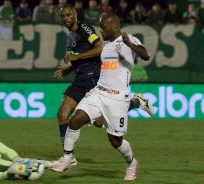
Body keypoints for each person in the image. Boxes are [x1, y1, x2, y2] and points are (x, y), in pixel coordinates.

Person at [52, 13, 151, 181]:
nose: (101, 30)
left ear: (114, 26)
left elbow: (146, 55)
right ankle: (68, 158)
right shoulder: (104, 44)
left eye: (103, 27)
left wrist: (130, 45)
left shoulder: (129, 39)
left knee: (115, 140)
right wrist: (69, 69)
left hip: (118, 97)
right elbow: (91, 58)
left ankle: (132, 163)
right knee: (76, 120)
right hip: (99, 92)